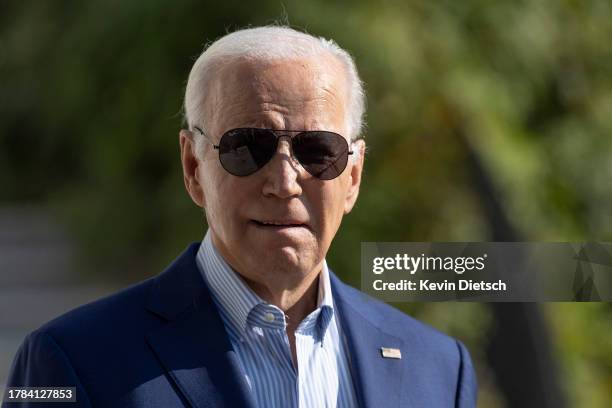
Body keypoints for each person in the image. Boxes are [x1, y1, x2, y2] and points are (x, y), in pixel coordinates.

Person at [3, 26, 477, 407]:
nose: (285, 181)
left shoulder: (438, 368)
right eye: (248, 147)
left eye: (318, 150)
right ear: (193, 168)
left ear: (352, 177)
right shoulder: (69, 361)